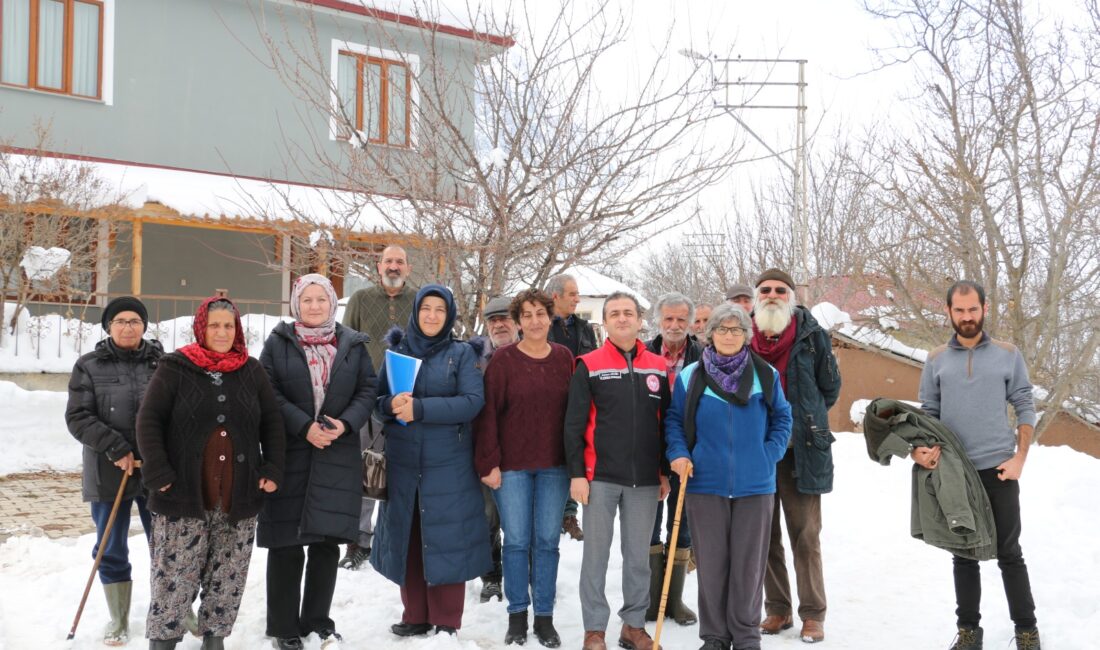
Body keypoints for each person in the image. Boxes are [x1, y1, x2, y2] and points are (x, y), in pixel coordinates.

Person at [137, 297, 285, 650]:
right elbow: (148, 420)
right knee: (174, 575)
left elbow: (273, 424)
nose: (222, 332)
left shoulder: (250, 370)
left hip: (239, 494)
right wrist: (159, 473)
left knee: (228, 574)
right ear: (201, 327)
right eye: (215, 325)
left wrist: (272, 469)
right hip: (182, 494)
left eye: (229, 326)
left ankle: (214, 638)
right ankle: (164, 640)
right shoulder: (175, 367)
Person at [915, 281, 1041, 650]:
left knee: (1009, 554)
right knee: (964, 557)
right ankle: (969, 631)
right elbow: (928, 414)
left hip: (998, 470)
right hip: (955, 472)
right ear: (949, 312)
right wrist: (918, 451)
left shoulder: (1007, 353)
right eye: (960, 310)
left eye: (973, 310)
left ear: (984, 309)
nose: (967, 317)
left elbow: (1025, 404)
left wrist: (1019, 458)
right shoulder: (936, 358)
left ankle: (1027, 630)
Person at [258, 274, 379, 650]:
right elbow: (267, 391)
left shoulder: (352, 344)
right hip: (291, 451)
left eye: (321, 299)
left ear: (331, 303)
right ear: (296, 304)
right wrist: (303, 426)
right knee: (286, 543)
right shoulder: (279, 342)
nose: (314, 306)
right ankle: (284, 627)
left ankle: (317, 621)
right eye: (306, 299)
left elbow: (368, 388)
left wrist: (344, 425)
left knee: (327, 543)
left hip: (336, 453)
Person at [665, 304, 793, 650]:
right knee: (711, 565)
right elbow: (675, 421)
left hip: (756, 484)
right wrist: (679, 453)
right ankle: (716, 637)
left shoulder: (765, 374)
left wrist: (770, 454)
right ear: (711, 334)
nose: (728, 335)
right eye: (722, 329)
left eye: (736, 330)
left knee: (749, 568)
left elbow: (783, 417)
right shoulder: (692, 376)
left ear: (746, 335)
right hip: (705, 482)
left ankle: (746, 636)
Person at [371, 285, 490, 639]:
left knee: (446, 538)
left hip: (448, 464)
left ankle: (446, 619)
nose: (433, 315)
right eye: (426, 308)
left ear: (449, 314)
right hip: (404, 461)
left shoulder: (461, 354)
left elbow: (472, 401)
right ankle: (416, 614)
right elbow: (378, 401)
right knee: (409, 536)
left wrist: (420, 408)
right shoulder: (397, 351)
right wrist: (390, 406)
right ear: (416, 312)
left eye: (440, 309)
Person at [565, 291, 671, 650]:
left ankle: (633, 626)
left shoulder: (658, 366)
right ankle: (594, 628)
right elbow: (573, 424)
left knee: (638, 558)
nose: (622, 319)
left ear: (640, 320)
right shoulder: (589, 363)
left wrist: (662, 471)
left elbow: (665, 423)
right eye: (615, 314)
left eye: (629, 313)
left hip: (644, 479)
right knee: (596, 557)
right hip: (600, 479)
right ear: (605, 322)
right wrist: (577, 473)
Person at [475, 289, 575, 648]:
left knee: (546, 543)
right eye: (527, 315)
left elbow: (575, 416)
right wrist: (489, 463)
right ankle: (517, 615)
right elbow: (487, 415)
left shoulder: (565, 359)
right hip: (512, 468)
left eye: (540, 314)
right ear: (518, 322)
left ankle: (544, 618)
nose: (534, 321)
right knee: (516, 542)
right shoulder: (503, 361)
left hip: (555, 466)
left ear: (551, 318)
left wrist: (577, 465)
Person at [65, 296, 163, 646]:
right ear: (108, 326)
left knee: (168, 544)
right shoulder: (88, 365)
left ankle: (175, 608)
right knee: (111, 545)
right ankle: (118, 618)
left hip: (156, 469)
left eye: (134, 321)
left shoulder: (162, 363)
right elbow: (77, 417)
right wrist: (116, 447)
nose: (127, 327)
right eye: (120, 321)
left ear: (144, 326)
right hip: (109, 469)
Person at [750, 269, 840, 644]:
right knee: (763, 536)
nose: (772, 295)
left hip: (800, 449)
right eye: (766, 290)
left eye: (780, 290)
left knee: (806, 535)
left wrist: (805, 421)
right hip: (756, 451)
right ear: (757, 297)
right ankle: (778, 609)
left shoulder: (812, 335)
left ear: (791, 295)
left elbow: (829, 388)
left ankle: (813, 614)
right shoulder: (741, 336)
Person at [340, 244, 417, 570]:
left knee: (403, 470)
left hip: (409, 397)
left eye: (400, 261)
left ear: (408, 268)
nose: (394, 266)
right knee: (365, 468)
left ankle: (397, 538)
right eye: (389, 261)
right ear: (379, 266)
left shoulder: (419, 300)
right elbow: (344, 342)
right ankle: (359, 541)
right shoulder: (360, 300)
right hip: (367, 394)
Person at [643, 293, 701, 627]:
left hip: (687, 453)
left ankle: (674, 599)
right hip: (648, 451)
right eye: (669, 319)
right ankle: (652, 600)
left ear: (691, 323)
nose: (675, 326)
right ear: (659, 321)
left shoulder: (704, 357)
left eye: (681, 320)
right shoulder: (644, 354)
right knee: (649, 524)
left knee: (683, 527)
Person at [469, 295, 519, 604]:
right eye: (493, 320)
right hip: (486, 450)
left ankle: (522, 573)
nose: (499, 324)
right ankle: (491, 576)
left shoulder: (531, 352)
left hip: (524, 451)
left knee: (519, 521)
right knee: (488, 517)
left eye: (505, 318)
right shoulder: (473, 357)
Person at [546, 272, 597, 542]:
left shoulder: (585, 328)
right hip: (549, 402)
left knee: (573, 454)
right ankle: (555, 512)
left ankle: (569, 513)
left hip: (579, 401)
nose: (578, 299)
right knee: (552, 458)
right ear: (556, 297)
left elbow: (595, 361)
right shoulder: (541, 324)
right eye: (573, 294)